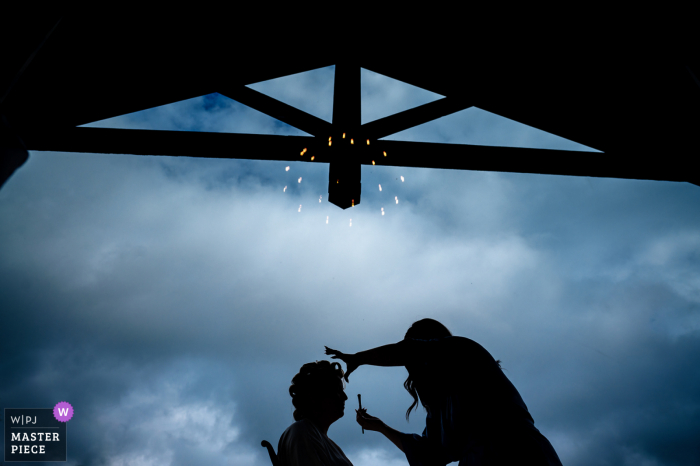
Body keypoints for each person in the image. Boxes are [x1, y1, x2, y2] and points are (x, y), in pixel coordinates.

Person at [325, 318, 563, 466]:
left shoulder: (467, 352)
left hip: (518, 453)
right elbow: (430, 454)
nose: (415, 367)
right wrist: (381, 428)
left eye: (419, 354)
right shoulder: (439, 406)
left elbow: (411, 351)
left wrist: (359, 358)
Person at [277, 360, 354, 466]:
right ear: (314, 396)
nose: (345, 397)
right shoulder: (303, 432)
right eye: (337, 391)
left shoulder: (317, 436)